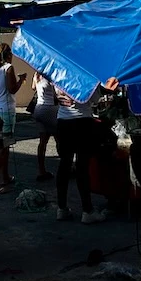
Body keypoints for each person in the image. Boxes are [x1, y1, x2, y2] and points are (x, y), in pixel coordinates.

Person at [55, 77, 119, 224]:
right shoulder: (83, 74)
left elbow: (55, 97)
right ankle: (87, 210)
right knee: (82, 167)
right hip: (82, 122)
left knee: (64, 164)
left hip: (62, 121)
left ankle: (61, 208)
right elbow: (95, 100)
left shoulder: (57, 73)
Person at [0, 43, 26, 195]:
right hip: (6, 110)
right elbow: (12, 89)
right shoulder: (8, 68)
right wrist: (21, 80)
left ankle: (5, 176)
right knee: (1, 147)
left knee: (5, 145)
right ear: (8, 55)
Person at [31, 72, 57, 181]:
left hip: (38, 107)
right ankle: (68, 167)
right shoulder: (51, 75)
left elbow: (33, 88)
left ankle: (41, 170)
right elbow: (57, 93)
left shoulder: (36, 74)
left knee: (42, 141)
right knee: (59, 138)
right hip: (50, 108)